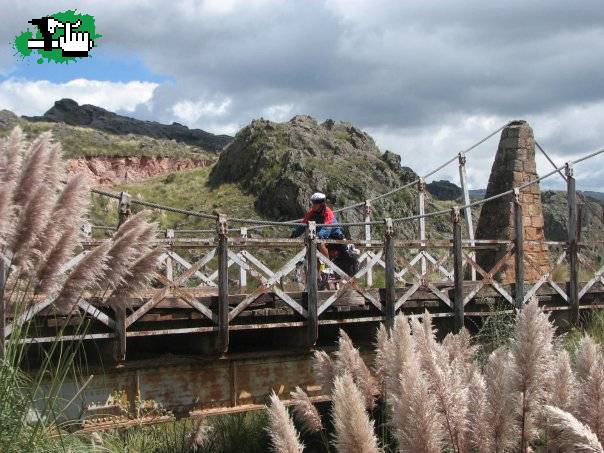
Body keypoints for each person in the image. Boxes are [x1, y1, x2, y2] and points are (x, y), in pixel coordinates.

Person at [290, 192, 344, 259]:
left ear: (321, 204)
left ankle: (328, 266)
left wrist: (318, 236)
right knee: (312, 248)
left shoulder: (328, 212)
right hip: (320, 236)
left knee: (319, 244)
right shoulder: (311, 213)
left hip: (334, 235)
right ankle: (317, 268)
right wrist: (294, 235)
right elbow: (303, 225)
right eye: (313, 203)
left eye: (316, 203)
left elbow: (327, 227)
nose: (313, 205)